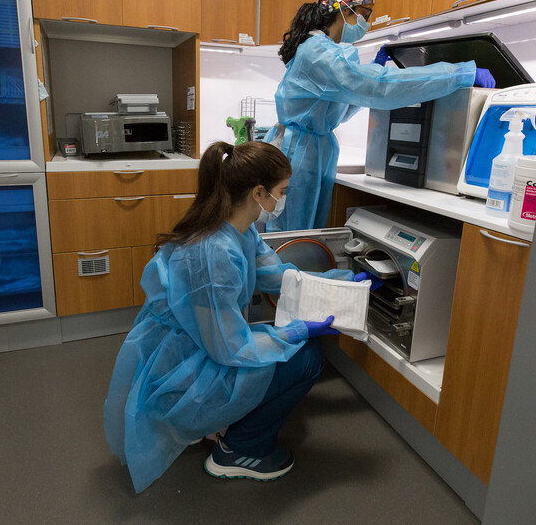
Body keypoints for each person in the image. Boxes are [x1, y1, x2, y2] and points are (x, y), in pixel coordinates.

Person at [103, 141, 353, 493]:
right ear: (258, 192)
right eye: (282, 192)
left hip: (199, 344)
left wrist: (337, 283)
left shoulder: (238, 227)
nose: (282, 201)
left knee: (282, 343)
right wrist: (295, 333)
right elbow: (230, 348)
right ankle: (239, 449)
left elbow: (275, 275)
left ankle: (219, 423)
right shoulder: (214, 253)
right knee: (305, 359)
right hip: (188, 365)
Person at [265, 0, 496, 231]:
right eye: (364, 15)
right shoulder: (319, 52)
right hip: (299, 156)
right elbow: (380, 86)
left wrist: (369, 82)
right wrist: (459, 73)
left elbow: (342, 108)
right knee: (291, 236)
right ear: (343, 8)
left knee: (304, 233)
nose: (366, 23)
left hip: (309, 152)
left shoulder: (323, 51)